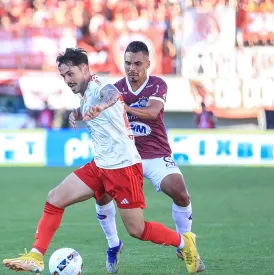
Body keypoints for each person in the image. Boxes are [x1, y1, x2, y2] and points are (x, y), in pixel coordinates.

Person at [2, 48, 202, 274]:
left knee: (137, 229)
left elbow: (112, 95)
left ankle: (185, 243)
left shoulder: (100, 87)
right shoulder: (86, 93)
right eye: (63, 76)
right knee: (55, 198)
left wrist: (103, 106)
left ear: (85, 69)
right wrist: (77, 112)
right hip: (100, 166)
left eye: (70, 74)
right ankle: (36, 256)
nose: (67, 80)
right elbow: (91, 103)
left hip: (124, 168)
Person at [94, 41, 205, 273]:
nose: (131, 68)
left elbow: (153, 112)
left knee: (180, 192)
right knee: (101, 194)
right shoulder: (115, 88)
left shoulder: (157, 84)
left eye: (137, 63)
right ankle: (113, 244)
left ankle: (186, 244)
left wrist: (123, 107)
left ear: (147, 64)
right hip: (125, 157)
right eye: (127, 63)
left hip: (155, 154)